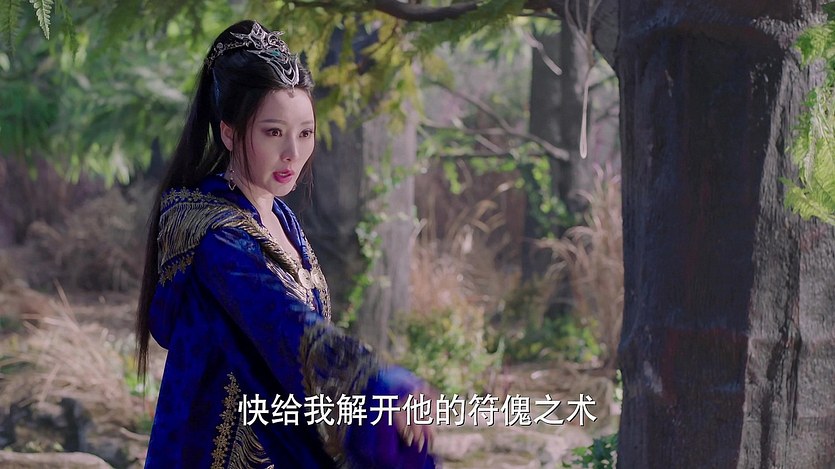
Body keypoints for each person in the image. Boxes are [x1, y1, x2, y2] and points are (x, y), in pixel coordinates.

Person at [135, 20, 438, 468]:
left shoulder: (281, 219)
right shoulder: (212, 232)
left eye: (305, 133)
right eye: (273, 132)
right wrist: (375, 383)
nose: (293, 153)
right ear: (230, 133)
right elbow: (279, 317)